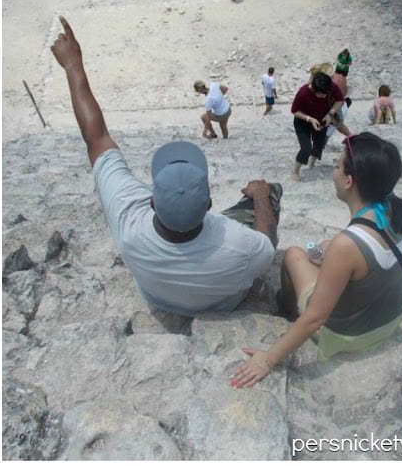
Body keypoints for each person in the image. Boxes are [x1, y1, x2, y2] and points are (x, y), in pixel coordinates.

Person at [50, 16, 279, 316]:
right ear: (209, 203)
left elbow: (96, 138)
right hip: (224, 302)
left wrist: (72, 66)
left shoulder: (129, 223)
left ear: (152, 201)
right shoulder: (243, 246)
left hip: (160, 300)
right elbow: (268, 245)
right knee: (272, 192)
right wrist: (260, 193)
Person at [230, 133, 402, 386]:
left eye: (337, 165)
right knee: (325, 246)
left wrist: (268, 360)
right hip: (392, 318)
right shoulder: (400, 210)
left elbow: (316, 318)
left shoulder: (347, 245)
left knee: (294, 255)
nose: (334, 170)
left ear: (349, 181)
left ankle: (286, 310)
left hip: (354, 334)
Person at [290, 70, 346, 180]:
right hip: (303, 121)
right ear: (314, 90)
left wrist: (330, 114)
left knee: (319, 144)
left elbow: (340, 100)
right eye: (323, 94)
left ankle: (312, 163)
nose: (325, 96)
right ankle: (296, 170)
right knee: (306, 148)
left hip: (323, 118)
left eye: (327, 94)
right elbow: (295, 111)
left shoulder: (330, 86)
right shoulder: (303, 93)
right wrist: (309, 119)